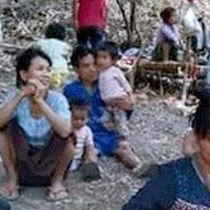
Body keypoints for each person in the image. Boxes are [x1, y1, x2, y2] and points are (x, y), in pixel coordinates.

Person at [0, 48, 75, 201]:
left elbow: (64, 131)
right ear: (24, 75)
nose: (46, 74)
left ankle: (57, 182)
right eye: (40, 69)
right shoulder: (15, 97)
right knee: (2, 131)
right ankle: (12, 179)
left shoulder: (57, 99)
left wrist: (40, 101)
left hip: (50, 155)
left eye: (48, 70)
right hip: (24, 154)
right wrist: (21, 95)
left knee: (69, 137)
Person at [62, 45, 157, 177]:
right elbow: (65, 116)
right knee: (90, 150)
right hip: (85, 131)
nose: (92, 69)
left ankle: (139, 166)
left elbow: (121, 113)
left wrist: (127, 107)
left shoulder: (107, 86)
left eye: (95, 64)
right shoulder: (71, 90)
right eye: (86, 66)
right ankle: (90, 165)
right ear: (76, 69)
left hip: (107, 131)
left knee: (123, 148)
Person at [95, 41, 133, 140]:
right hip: (107, 102)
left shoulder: (115, 71)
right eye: (98, 57)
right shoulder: (99, 72)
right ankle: (113, 134)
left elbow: (125, 83)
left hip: (118, 99)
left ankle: (123, 138)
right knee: (104, 121)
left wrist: (130, 95)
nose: (100, 61)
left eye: (104, 58)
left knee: (120, 120)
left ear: (113, 60)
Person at [68, 95, 101, 181]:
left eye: (82, 119)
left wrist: (89, 156)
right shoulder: (67, 127)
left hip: (78, 158)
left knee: (92, 153)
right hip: (67, 157)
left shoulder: (86, 130)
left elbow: (89, 145)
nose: (79, 122)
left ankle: (90, 173)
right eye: (75, 119)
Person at [36, 23, 72, 89]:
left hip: (46, 70)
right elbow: (68, 56)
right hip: (61, 69)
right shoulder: (64, 45)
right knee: (57, 86)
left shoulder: (41, 43)